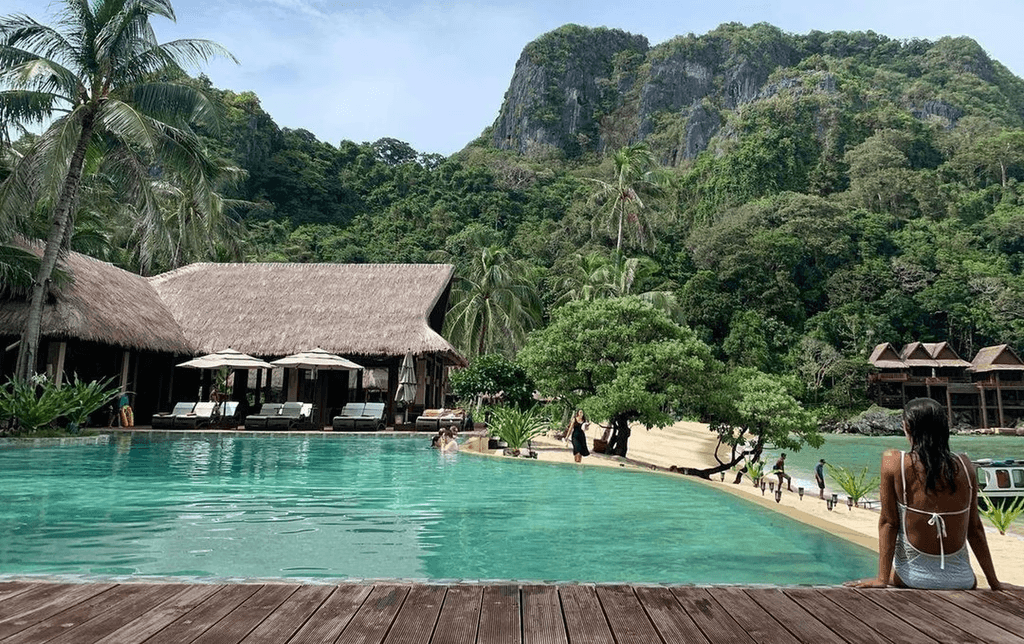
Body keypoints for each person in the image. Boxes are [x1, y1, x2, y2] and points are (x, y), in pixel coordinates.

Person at [847, 397, 1006, 590]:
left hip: (913, 577)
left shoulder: (894, 462)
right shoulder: (965, 465)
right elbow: (975, 529)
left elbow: (889, 523)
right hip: (963, 579)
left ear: (907, 427)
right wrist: (994, 582)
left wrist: (882, 579)